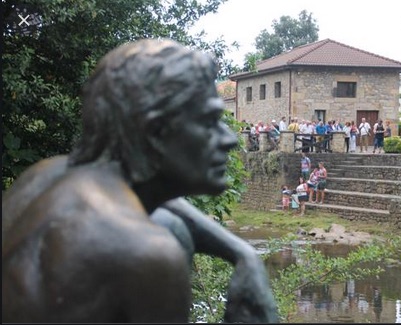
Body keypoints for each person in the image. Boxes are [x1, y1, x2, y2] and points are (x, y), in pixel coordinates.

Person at [1, 39, 278, 323]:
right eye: (208, 122)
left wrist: (242, 252)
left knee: (169, 221)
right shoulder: (148, 255)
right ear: (156, 132)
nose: (229, 139)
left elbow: (158, 198)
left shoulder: (44, 175)